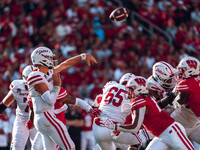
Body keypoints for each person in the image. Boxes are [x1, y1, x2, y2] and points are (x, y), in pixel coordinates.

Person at [26, 46, 99, 150]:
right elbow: (50, 101)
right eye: (50, 58)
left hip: (42, 118)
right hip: (47, 116)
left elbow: (64, 65)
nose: (52, 60)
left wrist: (82, 57)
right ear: (43, 59)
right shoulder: (36, 76)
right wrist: (57, 86)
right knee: (70, 147)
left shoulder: (45, 73)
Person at [104, 76, 194, 150]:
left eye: (131, 89)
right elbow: (141, 124)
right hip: (160, 135)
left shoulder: (139, 101)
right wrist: (120, 130)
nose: (129, 92)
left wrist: (115, 127)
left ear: (139, 89)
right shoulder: (147, 98)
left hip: (171, 131)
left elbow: (135, 127)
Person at [92, 78, 144, 150]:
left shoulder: (110, 86)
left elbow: (94, 107)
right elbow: (139, 124)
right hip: (117, 131)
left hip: (98, 127)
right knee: (139, 140)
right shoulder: (133, 96)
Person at [0, 65, 38, 150]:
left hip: (37, 121)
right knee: (17, 147)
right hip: (22, 120)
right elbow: (4, 104)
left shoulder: (44, 87)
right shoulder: (17, 86)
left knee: (38, 147)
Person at [172, 56, 200, 145]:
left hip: (183, 122)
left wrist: (173, 97)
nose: (180, 72)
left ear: (191, 70)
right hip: (190, 122)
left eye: (183, 70)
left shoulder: (185, 84)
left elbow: (179, 102)